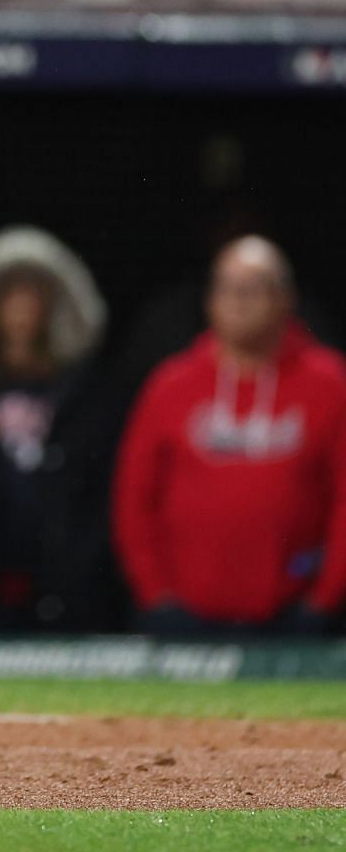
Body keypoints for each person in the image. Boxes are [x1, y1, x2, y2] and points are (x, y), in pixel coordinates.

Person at [113, 237, 346, 637]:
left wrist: (324, 600)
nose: (238, 300)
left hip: (293, 618)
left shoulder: (330, 384)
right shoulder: (170, 385)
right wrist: (155, 595)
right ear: (209, 301)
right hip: (183, 619)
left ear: (286, 299)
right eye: (227, 287)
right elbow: (133, 498)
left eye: (253, 288)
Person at [0, 227, 116, 631]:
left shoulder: (83, 391)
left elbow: (99, 487)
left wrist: (81, 562)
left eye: (33, 296)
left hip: (66, 582)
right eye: (11, 295)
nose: (21, 308)